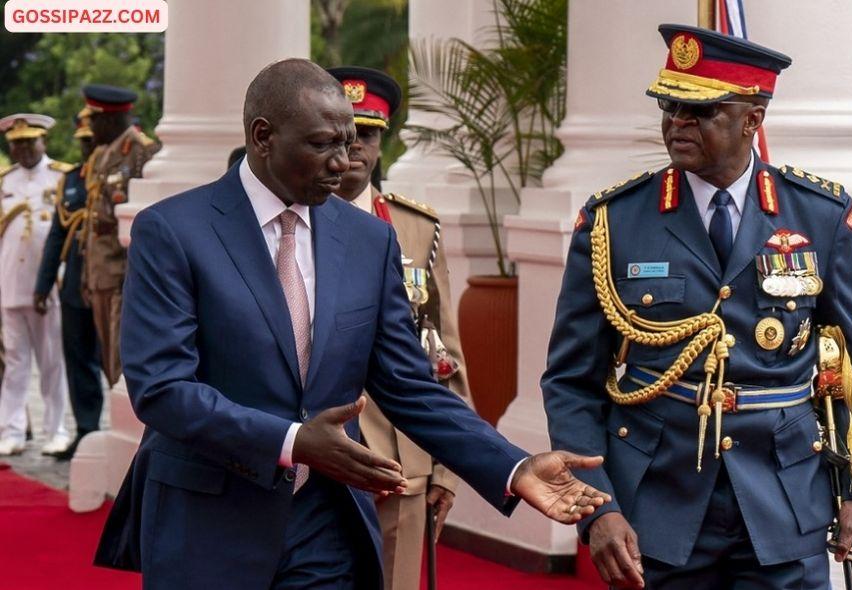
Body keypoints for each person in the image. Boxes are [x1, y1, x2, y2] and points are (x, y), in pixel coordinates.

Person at [95, 58, 610, 589]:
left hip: (327, 524)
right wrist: (293, 441)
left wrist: (514, 468)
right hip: (208, 522)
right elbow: (162, 388)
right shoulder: (174, 231)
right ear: (263, 136)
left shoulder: (370, 239)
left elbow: (410, 386)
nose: (343, 162)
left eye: (349, 142)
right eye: (323, 144)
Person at [541, 25, 852, 589]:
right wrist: (597, 509)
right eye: (670, 107)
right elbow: (571, 382)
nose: (677, 122)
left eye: (700, 110)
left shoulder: (818, 214)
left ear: (753, 118)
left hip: (786, 502)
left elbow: (851, 368)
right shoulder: (614, 221)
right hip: (658, 503)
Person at [329, 65, 468, 590]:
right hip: (314, 449)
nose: (354, 147)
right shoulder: (283, 224)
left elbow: (444, 350)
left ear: (381, 142)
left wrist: (448, 466)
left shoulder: (415, 227)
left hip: (403, 452)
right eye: (342, 134)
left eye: (365, 134)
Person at [0, 113, 73, 456]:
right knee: (14, 362)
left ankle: (56, 429)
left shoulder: (62, 177)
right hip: (10, 283)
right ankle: (11, 430)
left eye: (29, 141)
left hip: (48, 288)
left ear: (43, 141)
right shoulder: (5, 180)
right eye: (17, 144)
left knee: (51, 361)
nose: (23, 149)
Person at [78, 84, 160, 387]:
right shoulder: (101, 155)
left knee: (121, 358)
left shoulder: (143, 153)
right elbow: (92, 217)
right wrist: (88, 274)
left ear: (109, 119)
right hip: (101, 270)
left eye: (94, 120)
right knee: (107, 359)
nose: (90, 129)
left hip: (123, 273)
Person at [33, 113, 103, 460]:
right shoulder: (71, 180)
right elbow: (56, 235)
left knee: (117, 363)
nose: (88, 147)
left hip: (111, 285)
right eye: (84, 141)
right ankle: (87, 431)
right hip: (75, 282)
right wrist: (43, 284)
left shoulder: (119, 175)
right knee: (78, 361)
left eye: (92, 141)